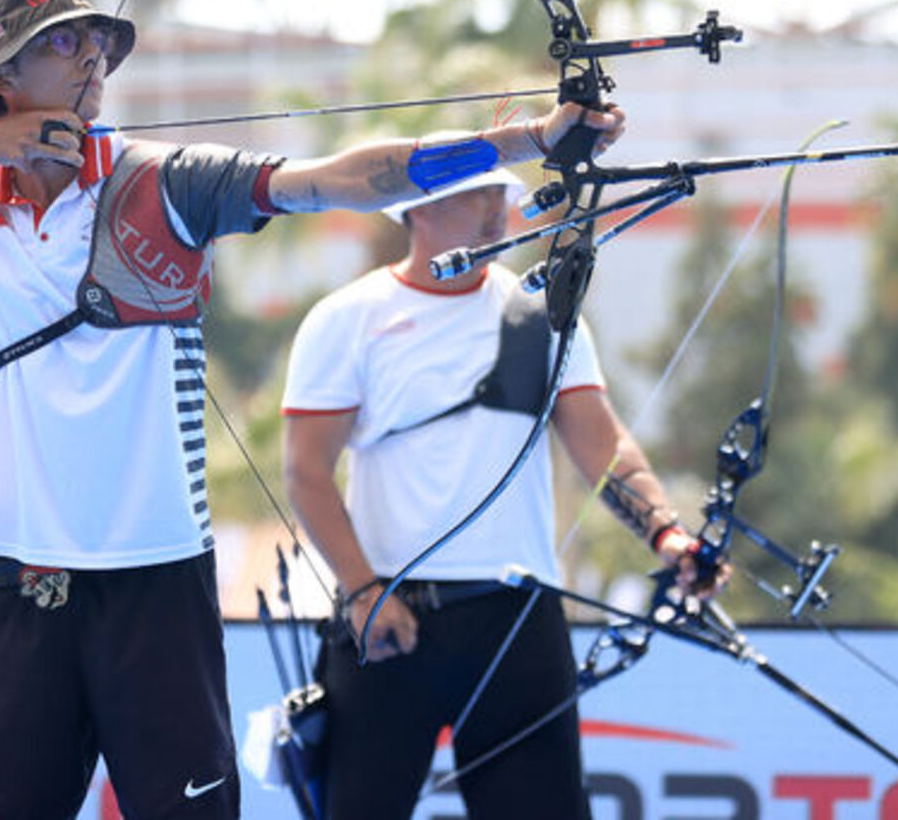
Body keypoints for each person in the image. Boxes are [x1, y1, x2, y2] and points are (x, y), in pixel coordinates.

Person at [0, 0, 624, 820]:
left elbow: (346, 181)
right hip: (14, 573)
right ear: (3, 78)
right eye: (63, 42)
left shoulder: (164, 183)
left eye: (99, 44)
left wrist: (533, 143)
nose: (92, 59)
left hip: (156, 578)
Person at [281, 168, 724, 820]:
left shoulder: (540, 316)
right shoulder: (347, 318)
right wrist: (364, 591)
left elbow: (604, 448)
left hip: (515, 620)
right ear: (418, 207)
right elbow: (306, 473)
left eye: (503, 193)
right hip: (389, 618)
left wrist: (667, 533)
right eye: (476, 192)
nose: (497, 209)